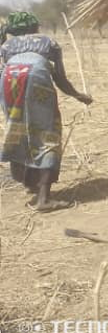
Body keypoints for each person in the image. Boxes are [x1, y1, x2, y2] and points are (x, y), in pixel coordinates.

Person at [0, 12, 93, 212]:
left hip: (9, 79)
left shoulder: (6, 46)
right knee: (47, 132)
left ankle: (29, 183)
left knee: (17, 127)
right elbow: (60, 78)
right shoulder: (49, 42)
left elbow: (4, 70)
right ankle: (43, 199)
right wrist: (79, 95)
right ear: (35, 27)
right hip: (37, 77)